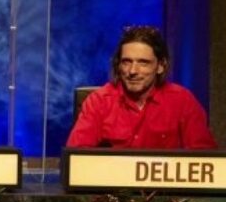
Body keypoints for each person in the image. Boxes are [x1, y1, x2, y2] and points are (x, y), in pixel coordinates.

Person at [67, 25, 217, 149]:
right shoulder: (99, 102)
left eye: (143, 63)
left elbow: (205, 161)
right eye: (126, 62)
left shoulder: (182, 101)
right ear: (118, 65)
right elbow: (76, 159)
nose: (132, 71)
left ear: (160, 66)